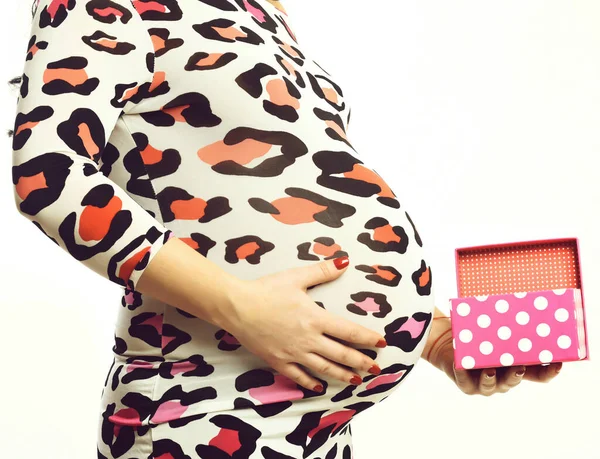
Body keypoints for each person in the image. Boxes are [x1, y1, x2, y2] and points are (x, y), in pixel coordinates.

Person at [9, 0, 561, 457]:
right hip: (204, 405)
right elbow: (49, 174)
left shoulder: (260, 11)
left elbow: (283, 189)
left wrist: (433, 335)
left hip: (319, 426)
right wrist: (236, 305)